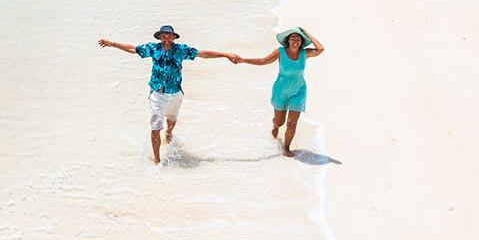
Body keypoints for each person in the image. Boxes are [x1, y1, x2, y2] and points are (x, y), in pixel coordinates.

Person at [98, 25, 241, 164]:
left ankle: (169, 133)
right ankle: (157, 160)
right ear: (160, 37)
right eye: (164, 36)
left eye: (169, 36)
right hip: (157, 93)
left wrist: (226, 55)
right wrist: (112, 44)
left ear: (174, 37)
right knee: (155, 127)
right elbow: (133, 49)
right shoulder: (153, 48)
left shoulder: (181, 50)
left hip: (175, 93)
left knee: (172, 120)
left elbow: (203, 54)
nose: (167, 39)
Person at [240, 27, 324, 157]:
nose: (295, 41)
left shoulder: (304, 53)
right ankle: (275, 126)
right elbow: (263, 61)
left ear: (301, 42)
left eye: (298, 39)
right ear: (288, 40)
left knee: (292, 124)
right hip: (281, 91)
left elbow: (320, 49)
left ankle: (286, 148)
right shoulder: (280, 52)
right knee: (280, 122)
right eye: (293, 38)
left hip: (299, 91)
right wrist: (243, 60)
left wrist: (307, 34)